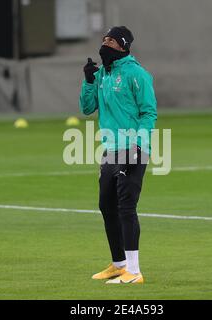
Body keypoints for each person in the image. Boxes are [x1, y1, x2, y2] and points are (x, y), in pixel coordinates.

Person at [79, 26, 157, 284]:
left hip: (133, 148)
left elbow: (148, 113)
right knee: (107, 206)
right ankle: (119, 264)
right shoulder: (101, 74)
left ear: (122, 45)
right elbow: (87, 107)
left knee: (126, 207)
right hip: (111, 150)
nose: (105, 44)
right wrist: (89, 82)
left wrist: (139, 144)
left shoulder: (137, 74)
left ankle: (134, 272)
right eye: (103, 40)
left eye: (110, 40)